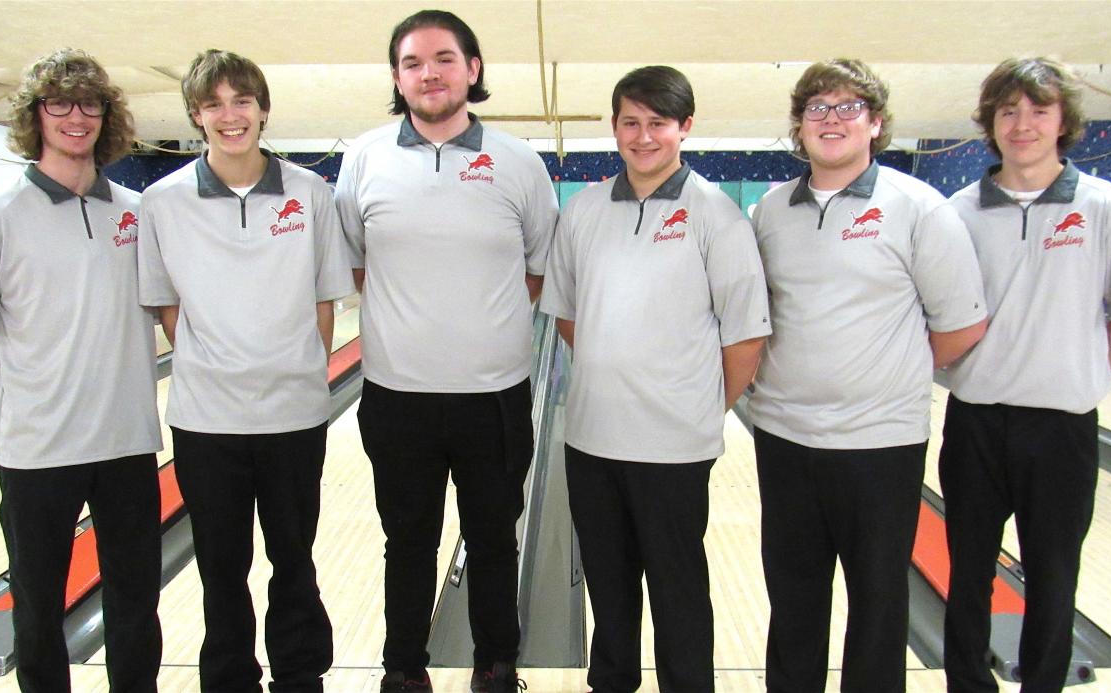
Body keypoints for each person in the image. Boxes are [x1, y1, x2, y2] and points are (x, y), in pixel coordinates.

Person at [746, 58, 989, 693]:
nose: (831, 119)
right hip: (784, 436)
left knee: (879, 606)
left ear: (875, 123)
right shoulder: (771, 211)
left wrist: (885, 372)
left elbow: (960, 324)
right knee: (794, 601)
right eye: (817, 108)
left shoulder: (919, 207)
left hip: (880, 444)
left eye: (848, 107)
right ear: (799, 125)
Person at [334, 10, 558, 693]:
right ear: (397, 78)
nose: (426, 73)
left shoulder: (518, 161)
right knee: (406, 542)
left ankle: (496, 665)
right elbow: (355, 264)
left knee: (494, 540)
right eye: (410, 62)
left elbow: (539, 267)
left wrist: (477, 326)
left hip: (493, 393)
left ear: (472, 69)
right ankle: (403, 668)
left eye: (441, 58)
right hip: (396, 394)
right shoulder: (364, 158)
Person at [540, 65, 770, 693]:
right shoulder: (583, 211)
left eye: (658, 124)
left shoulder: (717, 217)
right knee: (609, 597)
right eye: (630, 122)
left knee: (678, 594)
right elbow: (566, 316)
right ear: (614, 126)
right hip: (592, 441)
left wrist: (699, 407)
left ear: (684, 128)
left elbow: (746, 337)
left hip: (674, 448)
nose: (643, 137)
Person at [136, 49, 352, 692]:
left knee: (294, 558)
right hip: (206, 421)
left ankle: (299, 673)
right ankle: (229, 677)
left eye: (242, 102)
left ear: (262, 110)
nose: (230, 116)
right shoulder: (162, 201)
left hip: (294, 415)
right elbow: (167, 306)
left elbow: (324, 300)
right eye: (213, 105)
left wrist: (298, 371)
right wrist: (216, 362)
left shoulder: (310, 192)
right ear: (197, 117)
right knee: (221, 566)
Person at [0, 47, 162, 693]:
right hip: (36, 450)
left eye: (89, 103)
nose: (76, 116)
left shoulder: (135, 210)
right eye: (59, 103)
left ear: (107, 115)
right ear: (35, 115)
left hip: (126, 441)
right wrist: (21, 406)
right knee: (38, 611)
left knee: (135, 605)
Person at [940, 57, 1111, 693]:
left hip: (1063, 427)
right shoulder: (959, 210)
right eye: (1008, 111)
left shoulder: (1106, 207)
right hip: (976, 420)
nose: (1022, 124)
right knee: (968, 574)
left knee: (1055, 576)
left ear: (1064, 122)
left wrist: (1073, 372)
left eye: (1038, 110)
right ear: (990, 123)